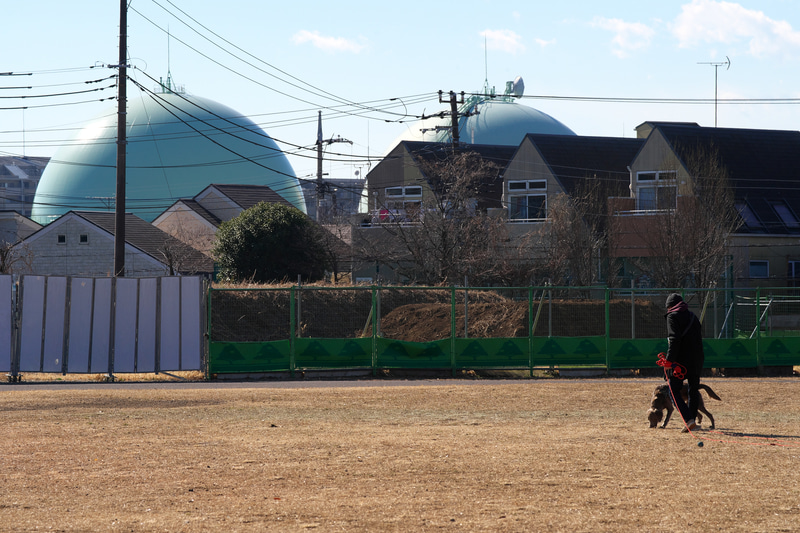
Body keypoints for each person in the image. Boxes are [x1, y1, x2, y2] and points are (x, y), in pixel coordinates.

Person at [662, 293, 705, 432]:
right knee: (693, 390)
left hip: (680, 362)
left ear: (670, 306)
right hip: (697, 359)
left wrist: (669, 361)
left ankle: (688, 420)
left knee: (673, 390)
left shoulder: (672, 316)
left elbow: (674, 340)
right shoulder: (693, 316)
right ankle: (691, 422)